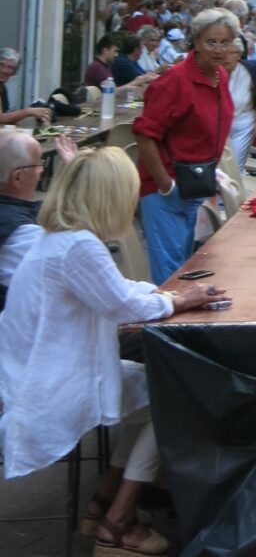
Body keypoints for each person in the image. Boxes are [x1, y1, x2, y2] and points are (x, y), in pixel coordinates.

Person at [0, 146, 219, 552]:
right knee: (173, 393)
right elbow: (123, 305)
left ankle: (104, 502)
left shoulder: (61, 238)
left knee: (155, 389)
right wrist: (177, 299)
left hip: (38, 377)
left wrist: (163, 294)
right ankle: (117, 522)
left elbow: (116, 290)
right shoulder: (79, 246)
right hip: (50, 388)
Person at [133, 7, 238, 284]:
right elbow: (144, 134)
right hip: (166, 188)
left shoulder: (219, 76)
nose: (219, 49)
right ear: (196, 42)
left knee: (184, 268)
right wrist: (166, 185)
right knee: (171, 278)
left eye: (225, 42)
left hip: (195, 184)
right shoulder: (175, 80)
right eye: (211, 42)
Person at [0, 130, 77, 309]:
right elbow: (74, 272)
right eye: (38, 164)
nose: (42, 170)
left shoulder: (11, 211)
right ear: (17, 177)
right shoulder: (19, 231)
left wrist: (71, 175)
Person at [223, 36, 256, 173]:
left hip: (243, 124)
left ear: (239, 55)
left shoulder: (250, 70)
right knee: (221, 168)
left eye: (232, 53)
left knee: (234, 168)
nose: (227, 58)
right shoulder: (214, 72)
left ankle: (237, 182)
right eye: (225, 53)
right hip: (220, 126)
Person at [0, 49, 52, 127]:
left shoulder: (3, 88)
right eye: (1, 64)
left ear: (14, 72)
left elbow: (5, 116)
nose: (4, 70)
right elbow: (1, 118)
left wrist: (39, 112)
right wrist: (28, 111)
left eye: (10, 67)